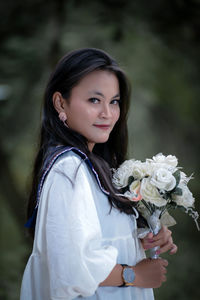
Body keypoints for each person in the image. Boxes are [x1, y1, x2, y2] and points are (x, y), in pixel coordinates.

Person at [20, 48, 177, 300]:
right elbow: (71, 271)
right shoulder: (68, 169)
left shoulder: (94, 165)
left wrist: (144, 237)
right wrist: (134, 275)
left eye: (113, 101)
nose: (107, 113)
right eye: (94, 100)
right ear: (61, 102)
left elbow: (95, 240)